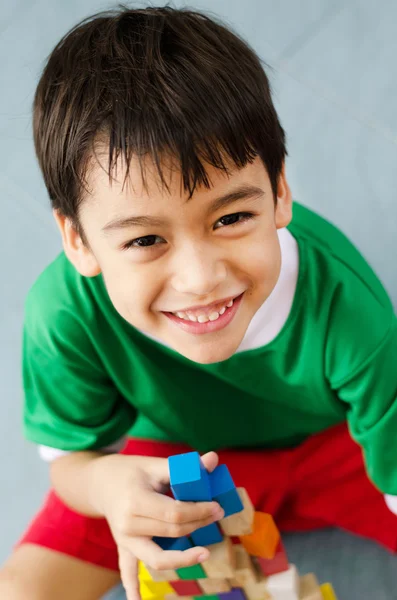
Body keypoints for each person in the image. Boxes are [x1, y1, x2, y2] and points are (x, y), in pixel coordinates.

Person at [1, 5, 397, 600]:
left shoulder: (349, 308)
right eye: (145, 240)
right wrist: (110, 488)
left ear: (280, 191)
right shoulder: (65, 314)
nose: (201, 278)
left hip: (340, 450)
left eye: (232, 217)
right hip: (168, 458)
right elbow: (72, 462)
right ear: (78, 240)